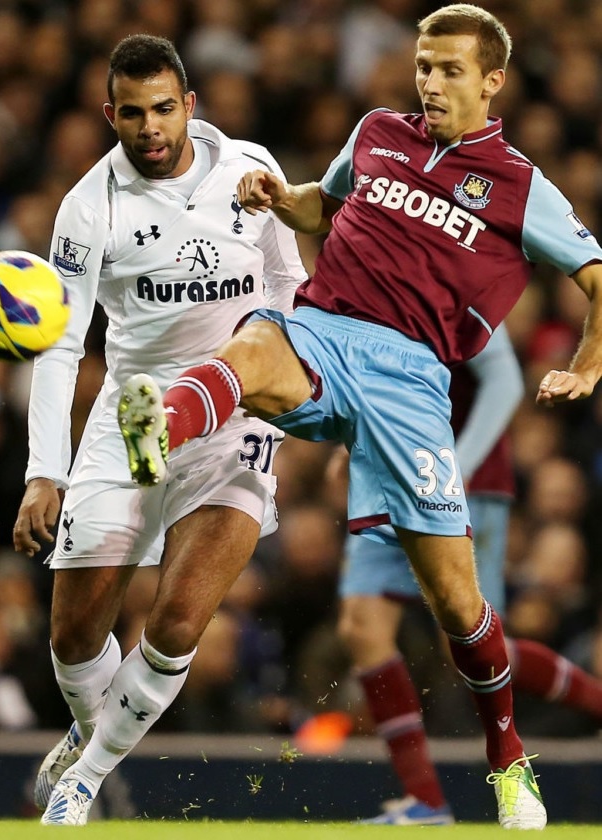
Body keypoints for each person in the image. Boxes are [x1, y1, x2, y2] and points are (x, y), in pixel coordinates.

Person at [118, 4, 602, 829]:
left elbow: (596, 276)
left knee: (458, 607)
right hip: (326, 328)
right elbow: (324, 205)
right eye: (423, 65)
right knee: (255, 347)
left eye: (450, 69)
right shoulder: (379, 130)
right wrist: (282, 196)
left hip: (413, 382)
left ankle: (507, 758)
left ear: (492, 81)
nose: (431, 82)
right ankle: (159, 424)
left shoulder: (521, 184)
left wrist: (588, 364)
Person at [12, 34, 307, 826]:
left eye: (163, 109)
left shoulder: (251, 169)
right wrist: (47, 469)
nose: (149, 128)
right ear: (111, 114)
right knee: (74, 635)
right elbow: (61, 341)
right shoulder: (87, 206)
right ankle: (90, 731)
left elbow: (288, 282)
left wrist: (292, 384)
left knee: (178, 621)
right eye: (132, 114)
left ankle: (85, 779)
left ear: (190, 107)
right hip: (128, 414)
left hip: (234, 413)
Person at [334, 324, 602, 825]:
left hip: (460, 480)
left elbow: (502, 380)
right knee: (361, 626)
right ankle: (425, 801)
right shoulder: (366, 278)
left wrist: (455, 467)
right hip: (388, 473)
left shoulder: (450, 267)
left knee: (469, 642)